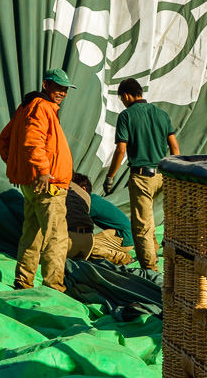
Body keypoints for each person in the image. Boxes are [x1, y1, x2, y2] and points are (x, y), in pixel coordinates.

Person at [0, 67, 76, 291]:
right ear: (46, 85)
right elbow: (33, 140)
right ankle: (54, 288)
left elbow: (6, 139)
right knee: (56, 238)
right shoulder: (42, 107)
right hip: (47, 184)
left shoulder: (27, 107)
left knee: (31, 235)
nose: (62, 92)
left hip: (31, 184)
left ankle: (23, 282)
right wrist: (42, 171)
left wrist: (19, 169)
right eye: (59, 87)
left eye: (65, 89)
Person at [106, 78, 179, 270]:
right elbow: (174, 147)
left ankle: (150, 270)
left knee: (142, 226)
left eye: (122, 98)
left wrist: (110, 177)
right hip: (163, 174)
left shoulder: (126, 116)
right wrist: (176, 172)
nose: (123, 102)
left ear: (127, 95)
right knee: (152, 221)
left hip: (141, 177)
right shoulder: (162, 114)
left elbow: (121, 150)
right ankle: (154, 252)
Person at [65, 172, 134, 266]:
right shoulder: (94, 200)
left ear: (83, 189)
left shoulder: (89, 203)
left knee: (88, 247)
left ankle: (124, 258)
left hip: (123, 236)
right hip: (125, 235)